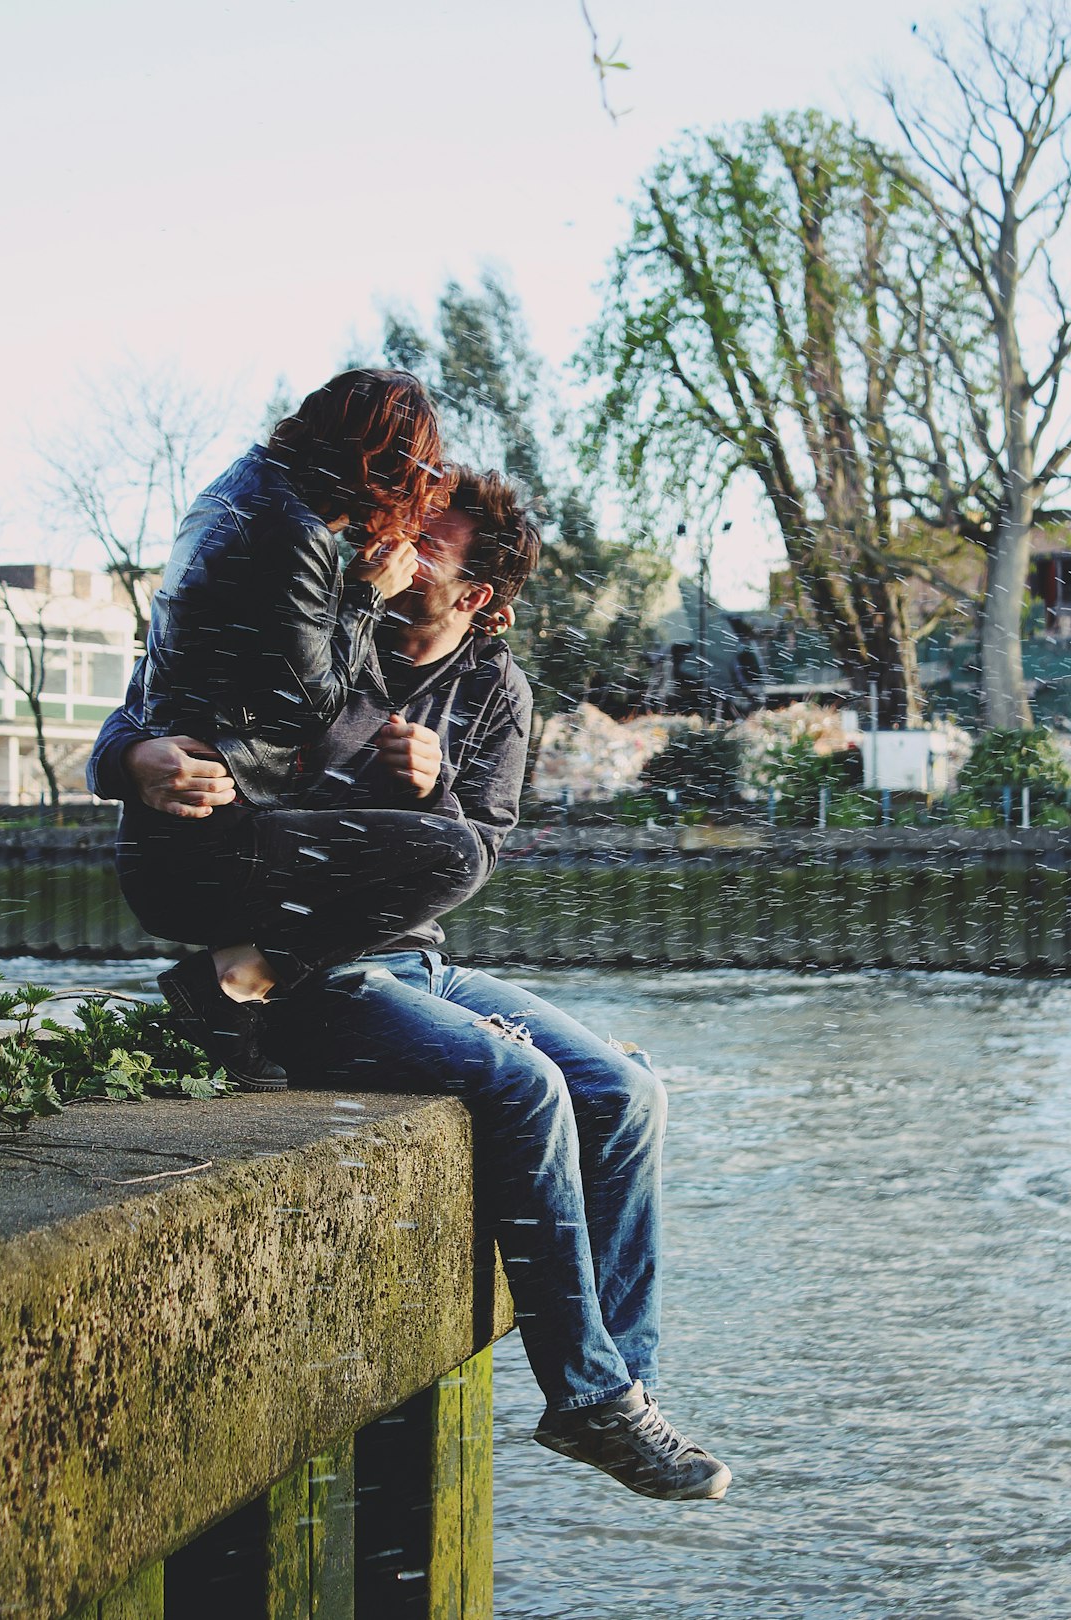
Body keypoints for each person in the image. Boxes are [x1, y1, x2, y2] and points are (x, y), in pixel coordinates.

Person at [87, 464, 732, 1504]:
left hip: (410, 952)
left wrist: (431, 791)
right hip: (317, 964)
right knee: (521, 1086)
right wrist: (137, 762)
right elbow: (136, 714)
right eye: (402, 520)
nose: (392, 541)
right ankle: (588, 1396)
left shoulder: (494, 691)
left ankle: (620, 1391)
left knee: (626, 1092)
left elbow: (473, 853)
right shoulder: (315, 626)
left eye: (428, 539)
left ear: (476, 595)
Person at [110, 370, 488, 1087]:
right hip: (212, 850)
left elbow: (169, 672)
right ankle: (235, 986)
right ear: (381, 470)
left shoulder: (229, 492)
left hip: (165, 842)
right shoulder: (293, 530)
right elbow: (307, 705)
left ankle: (246, 984)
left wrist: (124, 759)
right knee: (456, 857)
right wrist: (365, 598)